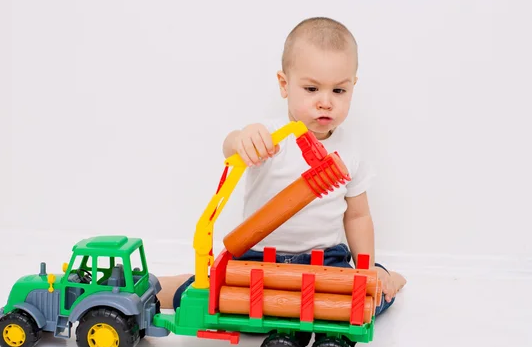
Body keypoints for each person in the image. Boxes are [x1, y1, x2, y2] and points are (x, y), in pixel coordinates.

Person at [157, 16, 406, 316]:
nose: (325, 102)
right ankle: (163, 288)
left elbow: (357, 216)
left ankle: (389, 277)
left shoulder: (351, 150)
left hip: (326, 260)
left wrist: (369, 267)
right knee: (210, 301)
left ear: (353, 86)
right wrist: (241, 140)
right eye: (312, 89)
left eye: (338, 91)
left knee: (364, 304)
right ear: (284, 85)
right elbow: (229, 147)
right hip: (256, 257)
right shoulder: (269, 136)